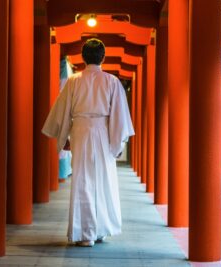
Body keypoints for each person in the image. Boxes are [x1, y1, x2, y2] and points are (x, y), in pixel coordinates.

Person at [42, 38, 134, 247]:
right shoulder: (111, 81)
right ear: (103, 57)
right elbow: (118, 115)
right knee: (103, 181)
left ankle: (86, 233)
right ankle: (100, 229)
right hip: (103, 133)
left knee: (83, 181)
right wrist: (117, 144)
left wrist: (65, 137)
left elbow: (63, 111)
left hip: (81, 132)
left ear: (83, 58)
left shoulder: (74, 81)